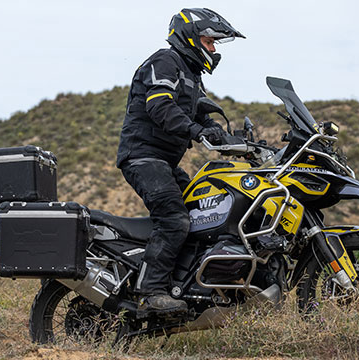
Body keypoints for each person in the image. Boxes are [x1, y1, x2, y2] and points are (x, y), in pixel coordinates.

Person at [114, 8, 244, 311]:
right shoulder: (165, 61)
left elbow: (198, 111)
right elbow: (160, 106)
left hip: (165, 162)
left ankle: (184, 283)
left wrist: (220, 133)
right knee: (173, 219)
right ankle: (151, 290)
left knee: (204, 212)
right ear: (190, 37)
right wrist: (197, 131)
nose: (212, 48)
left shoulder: (190, 73)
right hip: (143, 157)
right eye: (209, 41)